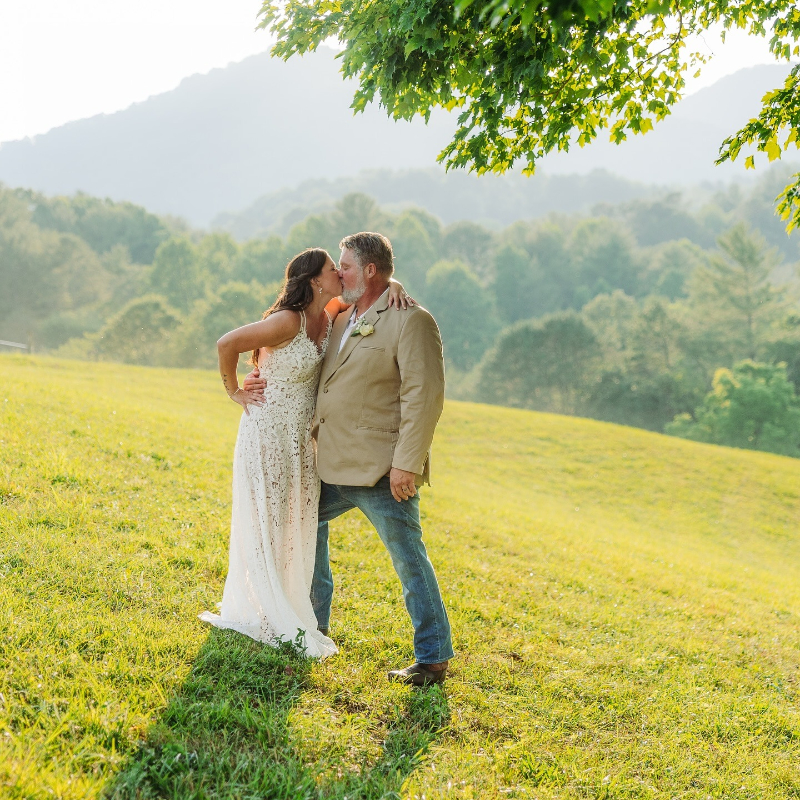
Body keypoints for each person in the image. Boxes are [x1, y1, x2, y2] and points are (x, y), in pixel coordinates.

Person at [244, 232, 454, 685]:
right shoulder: (342, 314)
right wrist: (254, 374)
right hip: (331, 463)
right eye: (337, 267)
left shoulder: (411, 320)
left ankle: (433, 656)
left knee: (407, 556)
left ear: (372, 271)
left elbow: (425, 396)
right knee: (305, 527)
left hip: (382, 470)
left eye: (348, 267)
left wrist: (407, 463)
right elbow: (294, 345)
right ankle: (313, 628)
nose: (339, 274)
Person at [199, 247, 411, 658]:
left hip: (301, 439)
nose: (339, 273)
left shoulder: (328, 313)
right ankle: (265, 609)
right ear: (316, 279)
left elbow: (370, 288)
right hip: (267, 431)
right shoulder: (288, 320)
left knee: (295, 517)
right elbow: (228, 343)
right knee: (270, 516)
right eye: (334, 269)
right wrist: (234, 391)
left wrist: (395, 285)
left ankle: (292, 603)